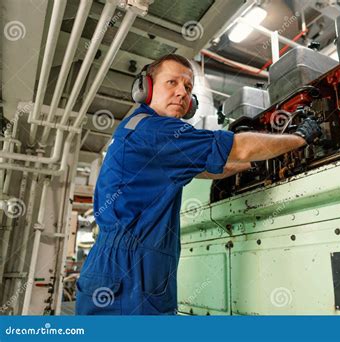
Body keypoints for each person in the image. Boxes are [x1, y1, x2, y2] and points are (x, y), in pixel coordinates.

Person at [76, 54, 321, 315]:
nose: (182, 93)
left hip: (116, 268)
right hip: (130, 272)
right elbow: (238, 148)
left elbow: (204, 169)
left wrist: (254, 164)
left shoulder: (140, 128)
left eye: (188, 87)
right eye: (172, 83)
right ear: (145, 89)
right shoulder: (155, 130)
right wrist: (299, 138)